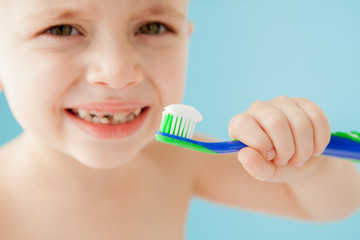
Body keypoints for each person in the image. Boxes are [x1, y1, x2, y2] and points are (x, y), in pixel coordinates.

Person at [0, 0, 359, 239]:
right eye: (62, 30)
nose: (118, 72)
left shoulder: (178, 159)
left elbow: (330, 204)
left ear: (187, 40)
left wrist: (307, 166)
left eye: (153, 27)